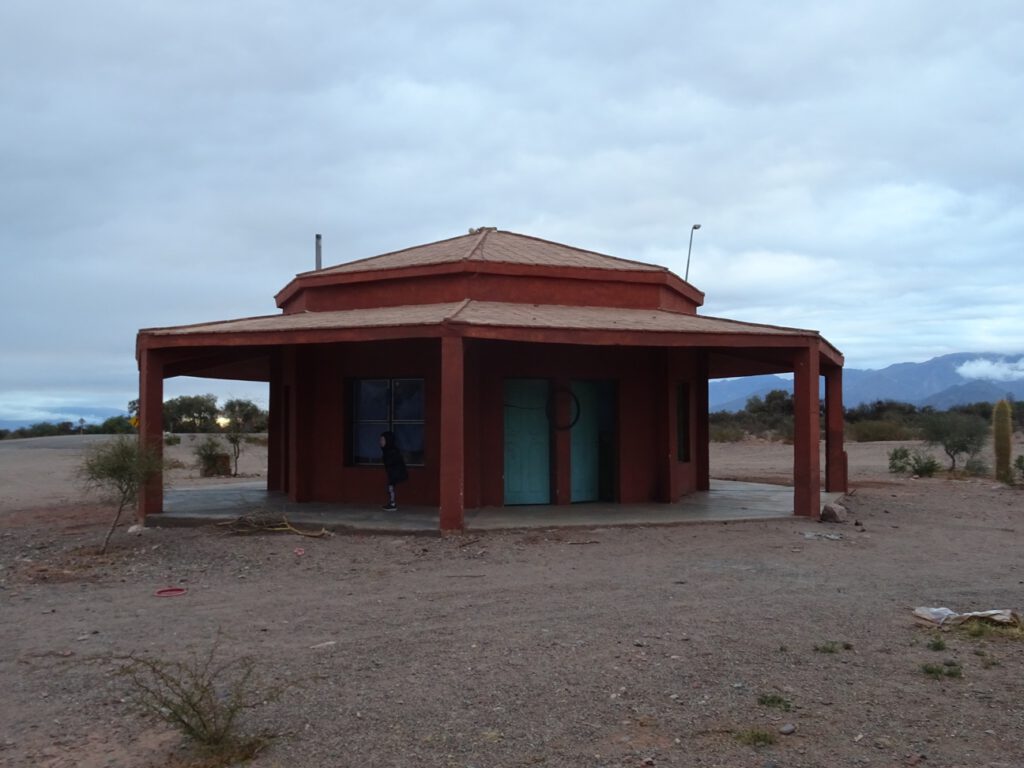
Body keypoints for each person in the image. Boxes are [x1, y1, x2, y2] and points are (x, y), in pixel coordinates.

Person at [379, 430, 408, 511]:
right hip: (393, 474)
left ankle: (392, 504)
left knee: (391, 488)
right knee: (390, 488)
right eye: (380, 440)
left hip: (395, 474)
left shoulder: (392, 451)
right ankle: (391, 503)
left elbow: (394, 463)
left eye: (382, 440)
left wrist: (393, 476)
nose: (380, 442)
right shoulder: (387, 450)